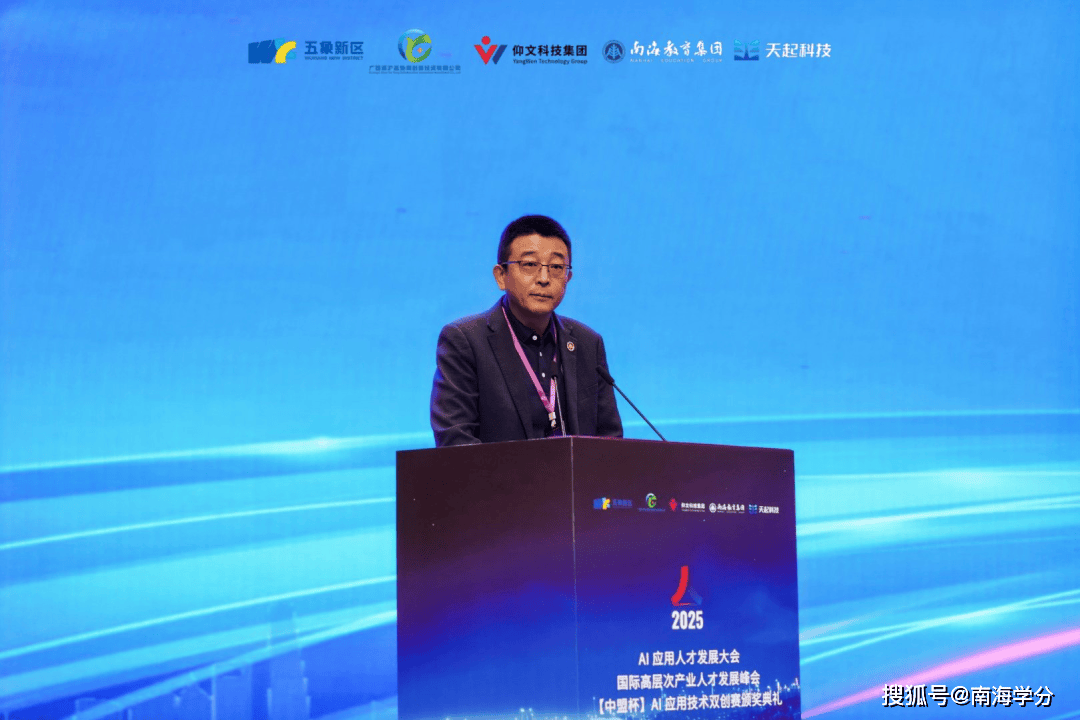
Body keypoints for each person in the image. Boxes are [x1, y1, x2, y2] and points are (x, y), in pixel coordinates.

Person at [430, 215, 623, 446]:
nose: (544, 278)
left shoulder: (587, 343)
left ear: (568, 278)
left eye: (556, 267)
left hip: (576, 471)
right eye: (530, 265)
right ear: (501, 276)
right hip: (498, 471)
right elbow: (455, 441)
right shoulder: (465, 341)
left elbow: (610, 442)